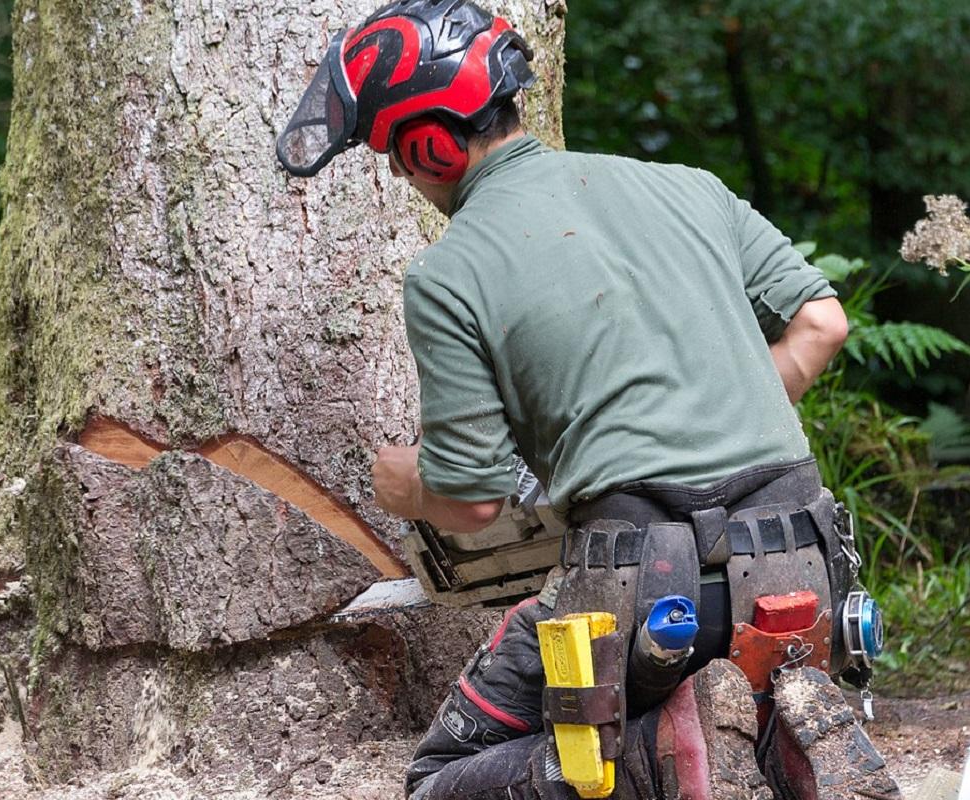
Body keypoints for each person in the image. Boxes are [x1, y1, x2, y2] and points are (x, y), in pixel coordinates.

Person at [277, 2, 900, 798]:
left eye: (394, 154)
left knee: (439, 779)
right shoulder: (691, 188)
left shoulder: (449, 273)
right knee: (756, 679)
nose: (401, 173)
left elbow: (472, 502)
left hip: (640, 585)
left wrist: (402, 481)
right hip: (802, 565)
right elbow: (822, 324)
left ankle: (656, 750)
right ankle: (772, 730)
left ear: (429, 143)